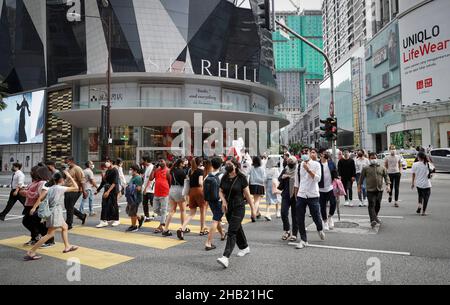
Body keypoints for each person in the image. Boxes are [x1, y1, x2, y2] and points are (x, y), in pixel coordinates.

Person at [24, 171, 80, 261]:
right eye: (64, 179)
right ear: (61, 179)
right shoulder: (59, 188)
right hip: (55, 212)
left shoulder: (50, 188)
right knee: (49, 234)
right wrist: (70, 176)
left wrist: (34, 208)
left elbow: (41, 198)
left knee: (65, 227)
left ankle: (67, 246)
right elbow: (76, 188)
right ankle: (31, 252)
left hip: (54, 211)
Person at [217, 158, 256, 268]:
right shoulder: (224, 176)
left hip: (239, 206)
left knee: (232, 231)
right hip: (228, 207)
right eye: (226, 164)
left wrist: (253, 210)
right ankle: (244, 247)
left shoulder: (241, 177)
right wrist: (223, 201)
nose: (226, 165)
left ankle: (225, 257)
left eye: (229, 164)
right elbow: (220, 191)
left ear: (235, 165)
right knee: (237, 228)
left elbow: (247, 195)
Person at [294, 149, 324, 249]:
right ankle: (303, 239)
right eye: (302, 153)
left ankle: (319, 228)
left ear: (310, 154)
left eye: (306, 153)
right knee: (299, 217)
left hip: (313, 194)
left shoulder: (316, 164)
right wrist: (296, 194)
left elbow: (318, 179)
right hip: (301, 194)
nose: (304, 155)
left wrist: (308, 170)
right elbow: (297, 181)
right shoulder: (299, 165)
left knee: (316, 217)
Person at [358, 152, 391, 228]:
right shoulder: (366, 168)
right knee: (371, 204)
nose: (373, 159)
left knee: (378, 205)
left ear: (377, 158)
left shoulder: (382, 168)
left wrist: (388, 186)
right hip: (370, 190)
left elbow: (386, 177)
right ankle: (373, 219)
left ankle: (375, 216)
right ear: (369, 159)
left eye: (375, 158)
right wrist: (359, 187)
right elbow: (361, 178)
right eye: (372, 158)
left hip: (379, 190)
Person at [21, 166, 52, 247]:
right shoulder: (34, 182)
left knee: (38, 223)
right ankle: (35, 237)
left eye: (32, 171)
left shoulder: (42, 183)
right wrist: (24, 190)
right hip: (29, 205)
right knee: (28, 221)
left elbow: (40, 196)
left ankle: (49, 240)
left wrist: (27, 193)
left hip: (37, 206)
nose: (31, 173)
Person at [181, 157, 208, 236]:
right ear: (200, 163)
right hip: (199, 191)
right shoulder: (200, 171)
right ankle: (202, 229)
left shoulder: (190, 171)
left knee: (191, 213)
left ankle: (182, 228)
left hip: (191, 192)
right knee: (202, 210)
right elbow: (200, 182)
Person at [204, 157, 226, 250]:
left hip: (210, 200)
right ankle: (208, 243)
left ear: (212, 165)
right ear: (221, 165)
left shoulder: (208, 175)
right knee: (215, 220)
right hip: (219, 201)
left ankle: (222, 234)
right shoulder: (222, 176)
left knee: (217, 218)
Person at [63, 156, 87, 229]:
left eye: (67, 162)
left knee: (69, 207)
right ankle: (82, 216)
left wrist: (84, 191)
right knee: (68, 207)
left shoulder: (77, 169)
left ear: (71, 161)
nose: (66, 163)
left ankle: (69, 224)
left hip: (75, 190)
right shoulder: (67, 169)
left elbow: (82, 180)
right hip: (67, 190)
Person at [165, 159, 187, 237]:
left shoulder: (172, 171)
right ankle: (183, 228)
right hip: (179, 190)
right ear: (180, 164)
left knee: (172, 210)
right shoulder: (181, 172)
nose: (184, 164)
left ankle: (165, 229)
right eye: (184, 163)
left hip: (171, 189)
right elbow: (185, 182)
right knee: (183, 210)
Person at [95, 158, 120, 228]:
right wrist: (98, 190)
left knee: (114, 204)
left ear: (112, 162)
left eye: (108, 161)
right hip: (107, 189)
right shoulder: (107, 171)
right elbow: (103, 182)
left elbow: (115, 182)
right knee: (104, 204)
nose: (106, 163)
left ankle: (116, 220)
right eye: (106, 161)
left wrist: (108, 191)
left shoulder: (115, 170)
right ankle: (104, 221)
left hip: (113, 190)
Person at [279, 156, 299, 242]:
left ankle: (294, 234)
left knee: (295, 216)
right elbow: (279, 178)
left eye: (292, 163)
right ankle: (287, 230)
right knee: (283, 212)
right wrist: (284, 176)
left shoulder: (298, 171)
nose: (290, 164)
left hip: (296, 195)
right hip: (286, 195)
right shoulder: (285, 169)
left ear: (295, 163)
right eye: (289, 162)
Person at [318, 149, 338, 231]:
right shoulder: (317, 164)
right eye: (324, 153)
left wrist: (336, 178)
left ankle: (330, 217)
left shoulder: (331, 163)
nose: (326, 154)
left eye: (327, 153)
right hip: (320, 189)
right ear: (321, 154)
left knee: (333, 203)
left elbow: (335, 171)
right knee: (322, 207)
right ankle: (325, 222)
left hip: (330, 187)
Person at [150, 159, 171, 234]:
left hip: (165, 193)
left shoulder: (168, 170)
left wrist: (169, 191)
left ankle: (161, 226)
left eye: (162, 161)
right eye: (159, 161)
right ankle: (164, 216)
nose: (160, 162)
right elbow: (151, 178)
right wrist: (153, 169)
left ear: (166, 162)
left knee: (164, 210)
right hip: (156, 193)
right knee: (155, 210)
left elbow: (170, 181)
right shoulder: (156, 170)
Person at [411, 152, 434, 216]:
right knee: (426, 198)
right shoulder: (428, 164)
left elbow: (413, 174)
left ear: (418, 157)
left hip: (418, 183)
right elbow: (433, 170)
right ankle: (423, 212)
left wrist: (413, 183)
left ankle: (419, 205)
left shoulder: (415, 164)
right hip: (427, 184)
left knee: (420, 195)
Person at [125, 164, 145, 232]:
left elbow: (139, 188)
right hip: (130, 197)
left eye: (131, 169)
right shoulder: (132, 177)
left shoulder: (138, 178)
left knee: (132, 212)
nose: (130, 171)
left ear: (135, 171)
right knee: (129, 211)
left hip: (135, 198)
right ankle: (140, 218)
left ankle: (134, 226)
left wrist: (132, 187)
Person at [248, 156, 265, 222]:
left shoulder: (251, 167)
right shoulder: (262, 168)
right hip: (260, 184)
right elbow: (264, 177)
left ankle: (257, 213)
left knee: (255, 200)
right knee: (257, 200)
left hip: (252, 184)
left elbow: (248, 173)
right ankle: (253, 214)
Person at [141, 155, 155, 222]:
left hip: (150, 189)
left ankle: (163, 215)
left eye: (143, 160)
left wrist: (145, 189)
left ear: (146, 160)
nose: (142, 162)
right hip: (146, 188)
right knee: (145, 203)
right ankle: (147, 217)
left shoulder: (151, 167)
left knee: (153, 203)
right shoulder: (147, 167)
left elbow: (150, 179)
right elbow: (146, 177)